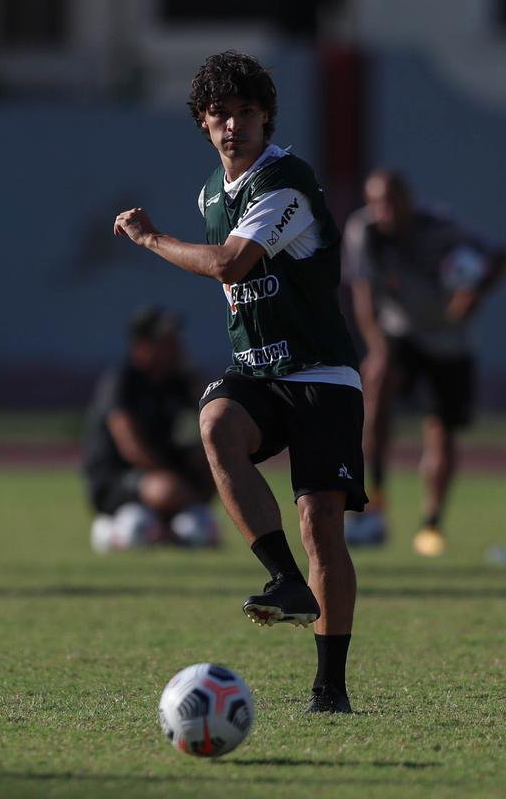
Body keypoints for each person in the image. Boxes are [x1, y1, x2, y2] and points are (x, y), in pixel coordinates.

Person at [113, 51, 367, 714]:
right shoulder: (211, 194)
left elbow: (231, 265)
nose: (233, 125)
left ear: (266, 117)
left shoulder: (284, 182)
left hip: (320, 373)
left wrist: (150, 240)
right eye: (220, 114)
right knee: (216, 423)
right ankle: (284, 579)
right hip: (257, 369)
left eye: (246, 112)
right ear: (203, 123)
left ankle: (330, 687)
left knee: (322, 527)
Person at [341, 169, 506, 556]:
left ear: (408, 200)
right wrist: (377, 347)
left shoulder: (442, 229)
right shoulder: (363, 231)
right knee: (376, 385)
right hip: (401, 330)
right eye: (377, 202)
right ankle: (373, 499)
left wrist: (475, 291)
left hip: (448, 339)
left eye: (392, 201)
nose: (384, 210)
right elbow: (363, 296)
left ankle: (432, 523)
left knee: (440, 430)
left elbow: (500, 257)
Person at [83, 305, 219, 551]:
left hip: (161, 470)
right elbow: (130, 445)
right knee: (167, 490)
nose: (177, 345)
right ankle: (125, 529)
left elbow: (209, 415)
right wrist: (172, 479)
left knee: (213, 469)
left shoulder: (177, 382)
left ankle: (166, 528)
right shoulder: (122, 382)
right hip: (117, 477)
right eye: (167, 341)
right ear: (142, 347)